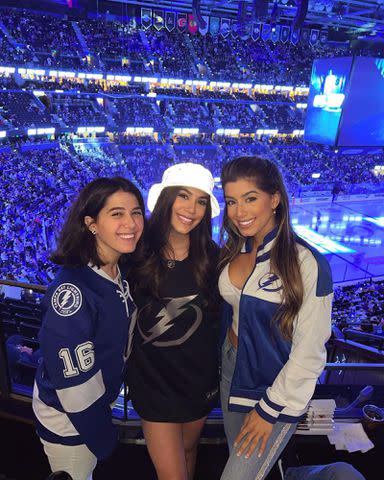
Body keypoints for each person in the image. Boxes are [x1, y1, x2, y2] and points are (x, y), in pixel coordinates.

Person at [218, 156, 333, 480]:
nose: (239, 212)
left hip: (276, 387)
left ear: (275, 199)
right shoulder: (233, 248)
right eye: (231, 201)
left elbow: (309, 354)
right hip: (232, 369)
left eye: (250, 198)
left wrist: (268, 411)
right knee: (249, 466)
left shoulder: (307, 263)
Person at [32, 177, 145, 480]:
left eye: (136, 212)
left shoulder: (117, 268)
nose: (131, 223)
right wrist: (102, 436)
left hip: (91, 413)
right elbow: (74, 384)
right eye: (117, 213)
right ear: (92, 223)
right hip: (70, 423)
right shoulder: (72, 290)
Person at [125, 163, 221, 480]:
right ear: (167, 198)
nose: (191, 209)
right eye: (183, 196)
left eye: (201, 201)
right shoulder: (134, 252)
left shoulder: (214, 258)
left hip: (199, 383)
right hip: (153, 385)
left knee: (189, 452)